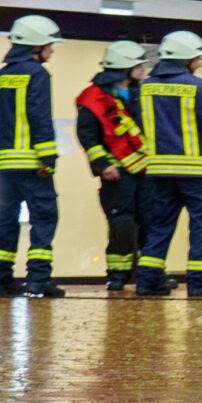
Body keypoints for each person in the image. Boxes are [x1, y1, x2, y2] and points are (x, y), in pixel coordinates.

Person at [135, 29, 202, 297]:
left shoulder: (145, 87)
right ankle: (198, 283)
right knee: (200, 224)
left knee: (159, 225)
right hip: (193, 170)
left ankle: (147, 281)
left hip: (158, 169)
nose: (199, 62)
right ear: (187, 60)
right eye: (197, 57)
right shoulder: (198, 86)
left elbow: (140, 123)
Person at [0, 15, 67, 298]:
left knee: (6, 220)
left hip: (6, 164)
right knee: (44, 218)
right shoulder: (37, 74)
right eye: (49, 44)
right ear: (36, 46)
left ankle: (0, 280)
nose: (52, 50)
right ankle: (38, 279)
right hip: (33, 163)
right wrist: (48, 157)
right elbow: (39, 116)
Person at [76, 40, 152, 292]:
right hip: (117, 174)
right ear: (124, 67)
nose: (142, 68)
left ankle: (149, 276)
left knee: (149, 224)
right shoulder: (94, 98)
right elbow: (87, 136)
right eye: (138, 64)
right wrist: (103, 164)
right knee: (122, 226)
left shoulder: (143, 92)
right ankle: (117, 275)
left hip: (146, 171)